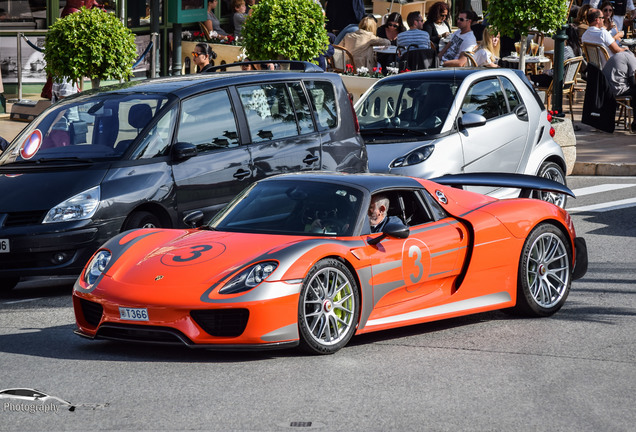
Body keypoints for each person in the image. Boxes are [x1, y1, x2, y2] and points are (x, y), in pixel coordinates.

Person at [602, 50, 636, 132]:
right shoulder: (632, 59)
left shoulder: (619, 55)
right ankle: (635, 123)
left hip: (606, 89)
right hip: (617, 90)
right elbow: (632, 83)